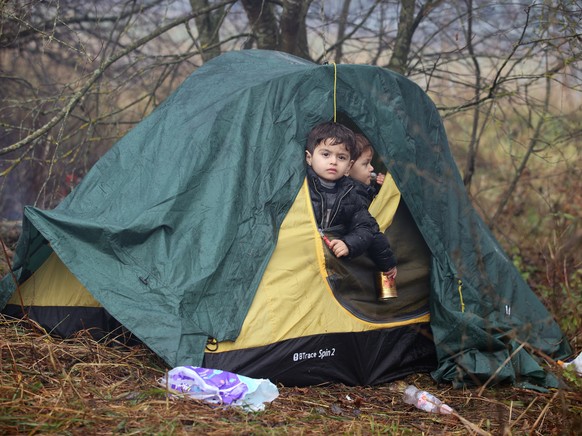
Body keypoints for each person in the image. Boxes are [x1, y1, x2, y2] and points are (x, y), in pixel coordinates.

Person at [305, 121, 378, 260]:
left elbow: (365, 228)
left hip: (330, 263)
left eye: (341, 157)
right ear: (309, 158)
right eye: (326, 154)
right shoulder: (301, 187)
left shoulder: (351, 194)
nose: (333, 161)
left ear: (348, 166)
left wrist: (348, 244)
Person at [348, 133, 398, 294]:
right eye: (366, 164)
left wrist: (378, 189)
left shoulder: (355, 189)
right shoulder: (353, 196)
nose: (372, 168)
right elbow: (370, 228)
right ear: (348, 167)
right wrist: (388, 264)